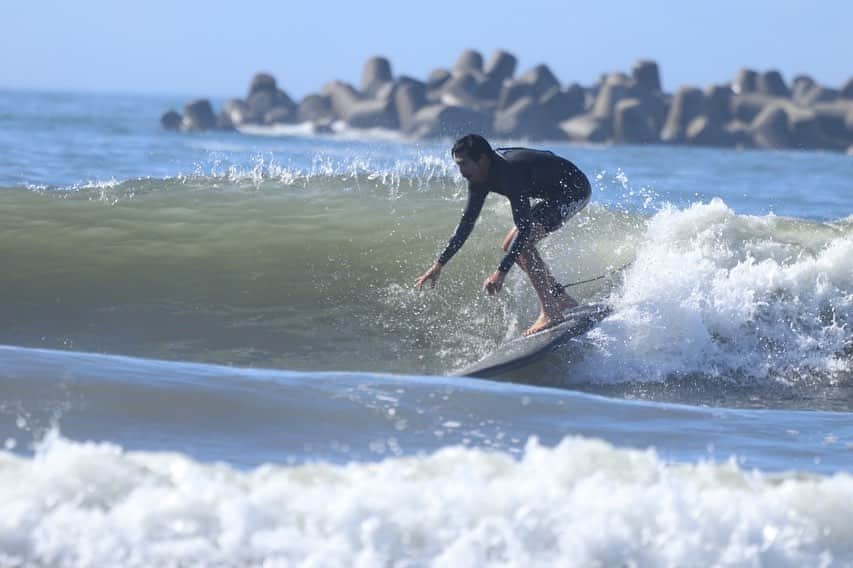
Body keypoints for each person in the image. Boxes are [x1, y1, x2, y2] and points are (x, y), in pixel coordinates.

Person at [415, 134, 591, 336]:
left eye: (464, 164)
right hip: (554, 194)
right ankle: (561, 299)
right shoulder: (480, 178)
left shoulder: (510, 172)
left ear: (482, 159)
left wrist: (500, 272)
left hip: (575, 191)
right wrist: (439, 264)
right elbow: (466, 224)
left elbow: (524, 229)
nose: (461, 171)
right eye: (458, 165)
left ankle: (550, 312)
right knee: (510, 246)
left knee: (522, 244)